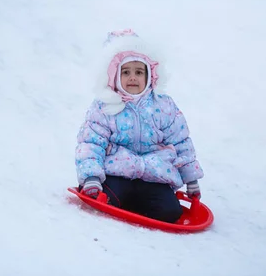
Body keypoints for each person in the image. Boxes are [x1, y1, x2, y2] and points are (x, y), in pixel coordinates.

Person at [75, 29, 204, 223]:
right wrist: (91, 177)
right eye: (126, 72)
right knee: (106, 200)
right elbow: (90, 144)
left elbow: (181, 142)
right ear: (113, 76)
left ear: (150, 74)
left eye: (138, 71)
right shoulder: (104, 107)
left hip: (155, 177)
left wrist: (190, 178)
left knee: (171, 213)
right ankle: (125, 201)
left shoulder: (163, 105)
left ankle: (139, 204)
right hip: (116, 174)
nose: (133, 77)